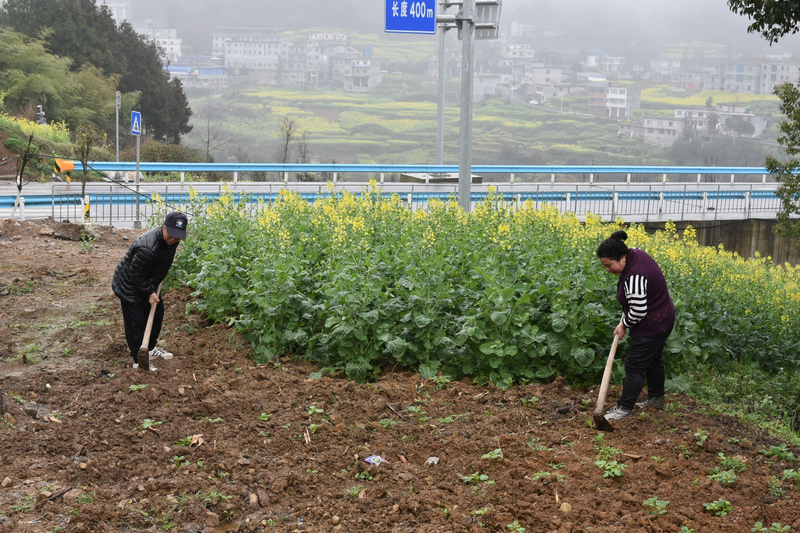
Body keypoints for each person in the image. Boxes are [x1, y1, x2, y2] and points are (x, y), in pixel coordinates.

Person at [596, 230, 675, 420]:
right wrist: (625, 317)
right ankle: (656, 399)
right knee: (653, 360)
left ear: (622, 258)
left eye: (609, 265)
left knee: (634, 364)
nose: (607, 269)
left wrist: (624, 324)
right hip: (664, 317)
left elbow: (639, 310)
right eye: (604, 266)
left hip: (653, 323)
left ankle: (624, 408)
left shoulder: (634, 277)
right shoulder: (635, 253)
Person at [112, 211, 188, 371]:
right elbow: (136, 275)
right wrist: (149, 292)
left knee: (157, 314)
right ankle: (138, 359)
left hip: (147, 282)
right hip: (129, 286)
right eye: (172, 234)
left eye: (178, 235)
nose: (174, 239)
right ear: (164, 227)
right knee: (136, 322)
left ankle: (151, 349)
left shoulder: (170, 241)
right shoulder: (147, 247)